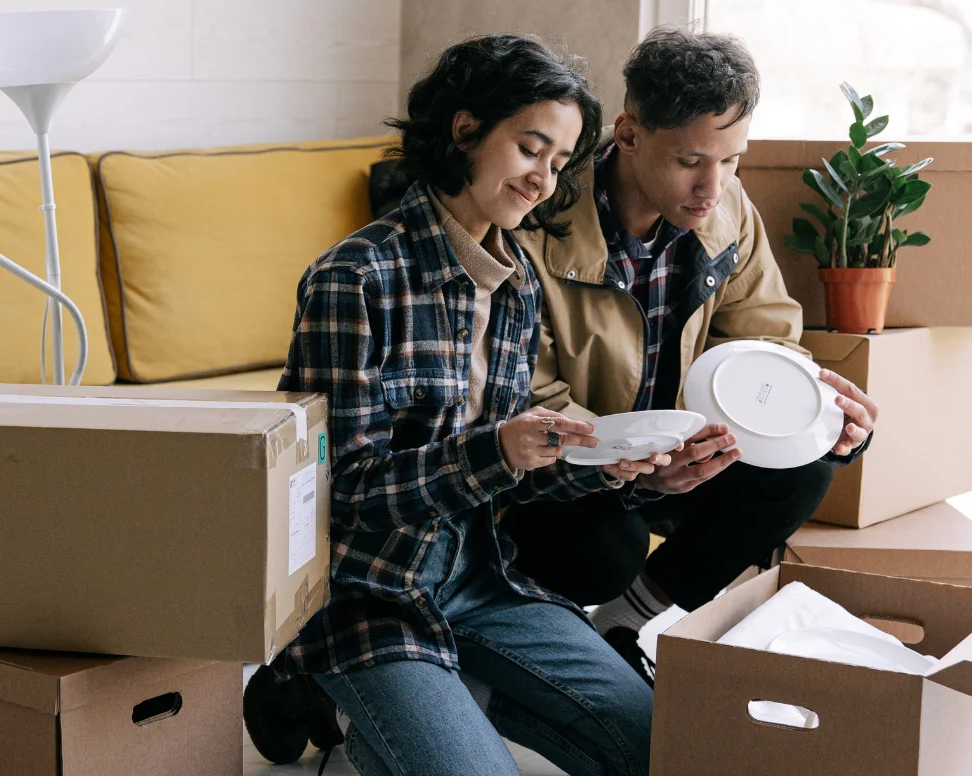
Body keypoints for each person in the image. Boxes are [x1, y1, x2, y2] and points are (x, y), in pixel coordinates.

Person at [245, 35, 661, 776]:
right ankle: (322, 687)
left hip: (479, 576)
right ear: (465, 129)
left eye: (559, 162)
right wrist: (494, 451)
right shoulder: (355, 278)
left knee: (665, 741)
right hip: (369, 595)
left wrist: (609, 464)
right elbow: (335, 494)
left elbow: (518, 471)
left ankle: (449, 697)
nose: (543, 178)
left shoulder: (516, 285)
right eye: (531, 148)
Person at [509, 27, 879, 685]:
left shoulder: (727, 210)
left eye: (731, 160)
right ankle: (546, 638)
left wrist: (820, 418)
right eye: (690, 161)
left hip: (682, 455)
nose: (713, 187)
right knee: (605, 550)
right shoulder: (538, 225)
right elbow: (529, 405)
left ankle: (626, 620)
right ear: (627, 135)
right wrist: (639, 469)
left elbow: (766, 342)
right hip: (572, 472)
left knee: (808, 467)